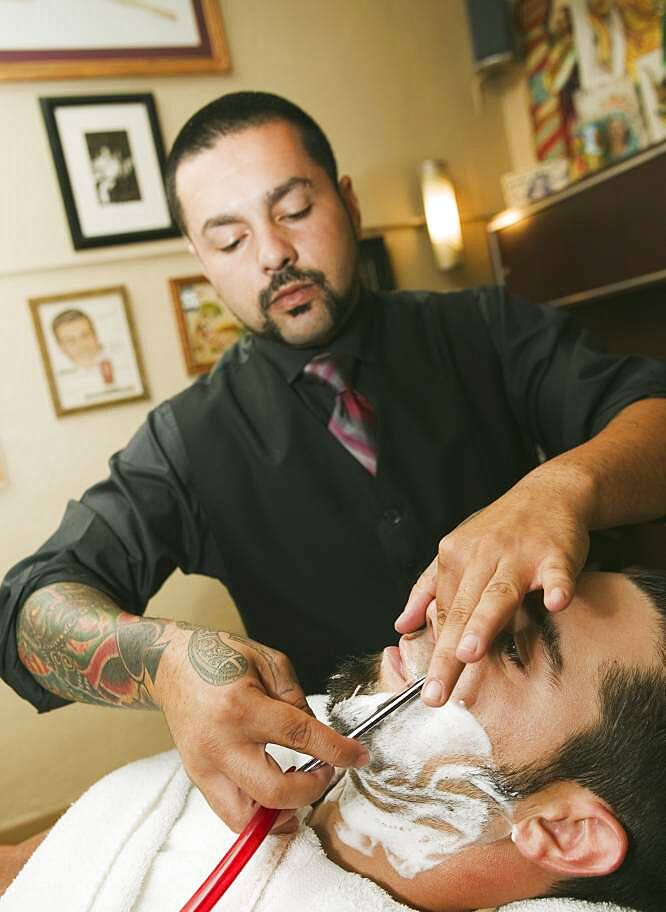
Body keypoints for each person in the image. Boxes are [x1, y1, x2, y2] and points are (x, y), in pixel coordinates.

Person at [2, 91, 666, 839]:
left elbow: (653, 414)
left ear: (346, 202)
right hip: (377, 809)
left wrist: (563, 485)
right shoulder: (185, 442)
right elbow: (29, 608)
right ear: (201, 261)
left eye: (292, 209)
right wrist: (158, 661)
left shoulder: (486, 328)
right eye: (229, 240)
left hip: (586, 758)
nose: (273, 253)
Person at [1, 569, 665, 912]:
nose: (441, 617)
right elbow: (30, 875)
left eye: (514, 649)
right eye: (473, 600)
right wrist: (167, 660)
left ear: (565, 830)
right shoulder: (289, 737)